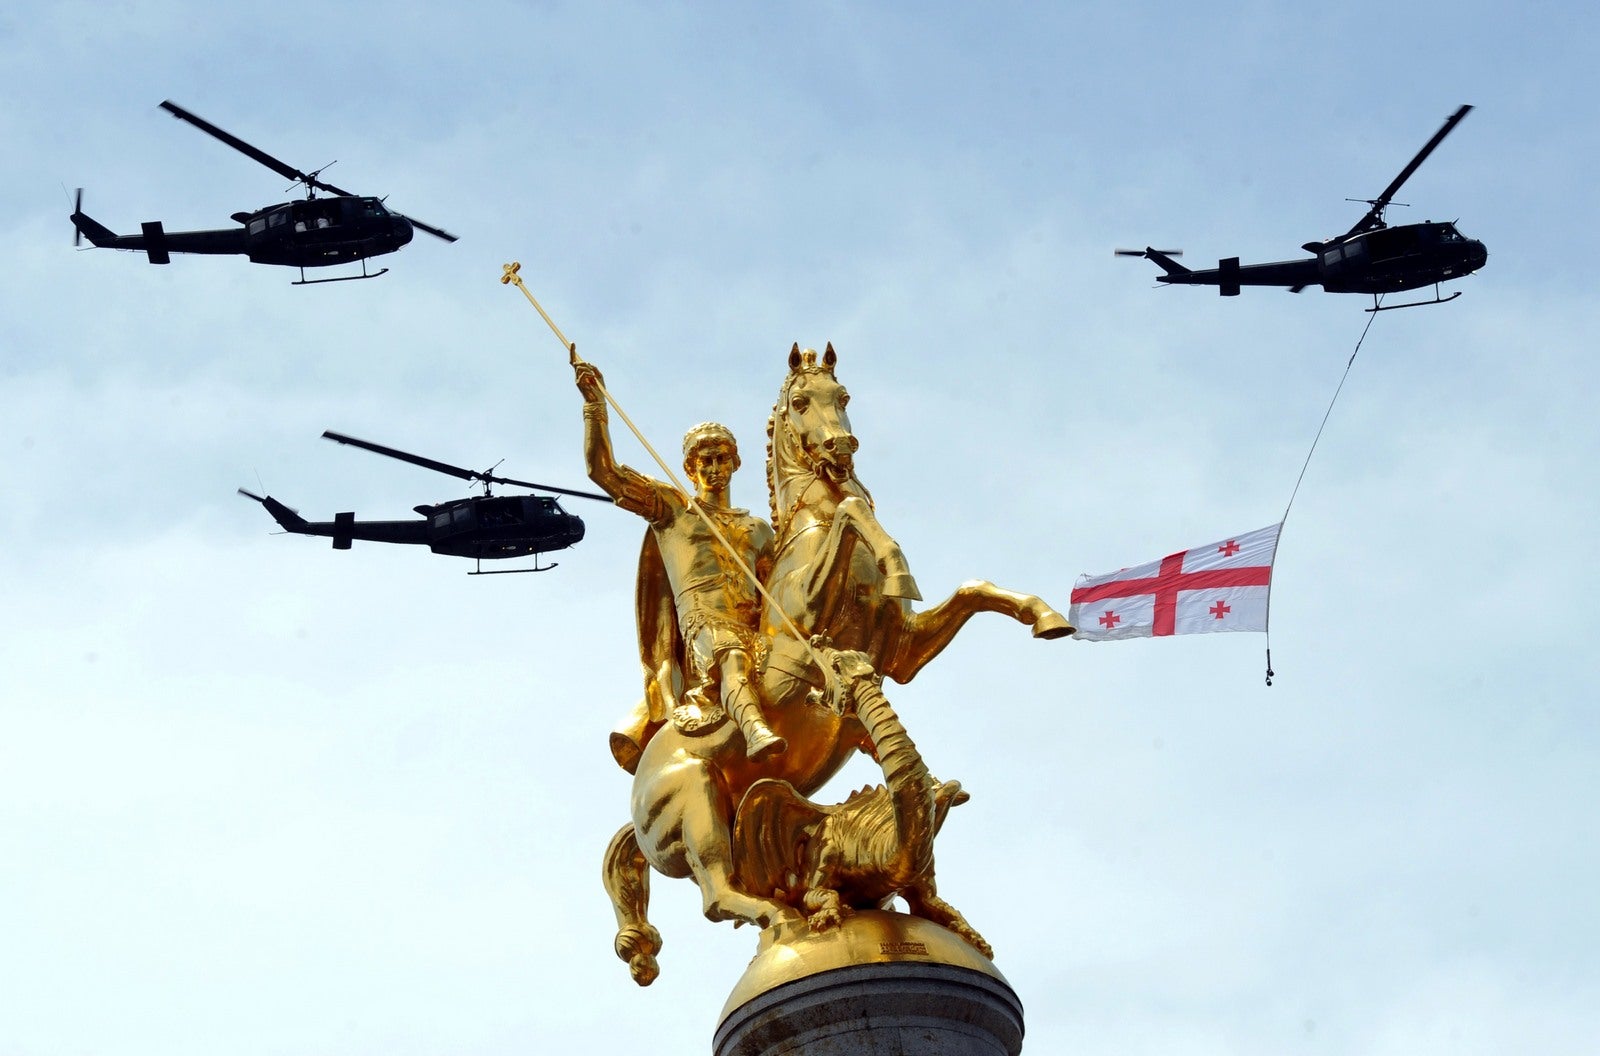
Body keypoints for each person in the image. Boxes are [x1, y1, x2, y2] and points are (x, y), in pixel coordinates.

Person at [576, 360, 784, 761]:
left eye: (721, 459)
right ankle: (755, 731)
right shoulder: (674, 509)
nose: (713, 468)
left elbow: (775, 594)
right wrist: (594, 407)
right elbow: (605, 474)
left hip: (755, 633)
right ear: (689, 468)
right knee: (732, 655)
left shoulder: (758, 529)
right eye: (703, 461)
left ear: (735, 463)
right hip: (706, 632)